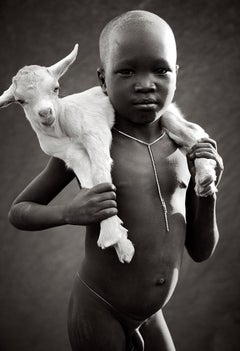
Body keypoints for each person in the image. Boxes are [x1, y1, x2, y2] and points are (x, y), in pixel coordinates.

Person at [8, 10, 224, 351]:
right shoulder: (83, 142)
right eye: (125, 71)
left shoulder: (186, 146)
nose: (144, 83)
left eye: (160, 70)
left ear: (176, 75)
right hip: (98, 309)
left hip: (152, 315)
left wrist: (207, 191)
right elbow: (19, 212)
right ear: (102, 79)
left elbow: (201, 250)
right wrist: (69, 213)